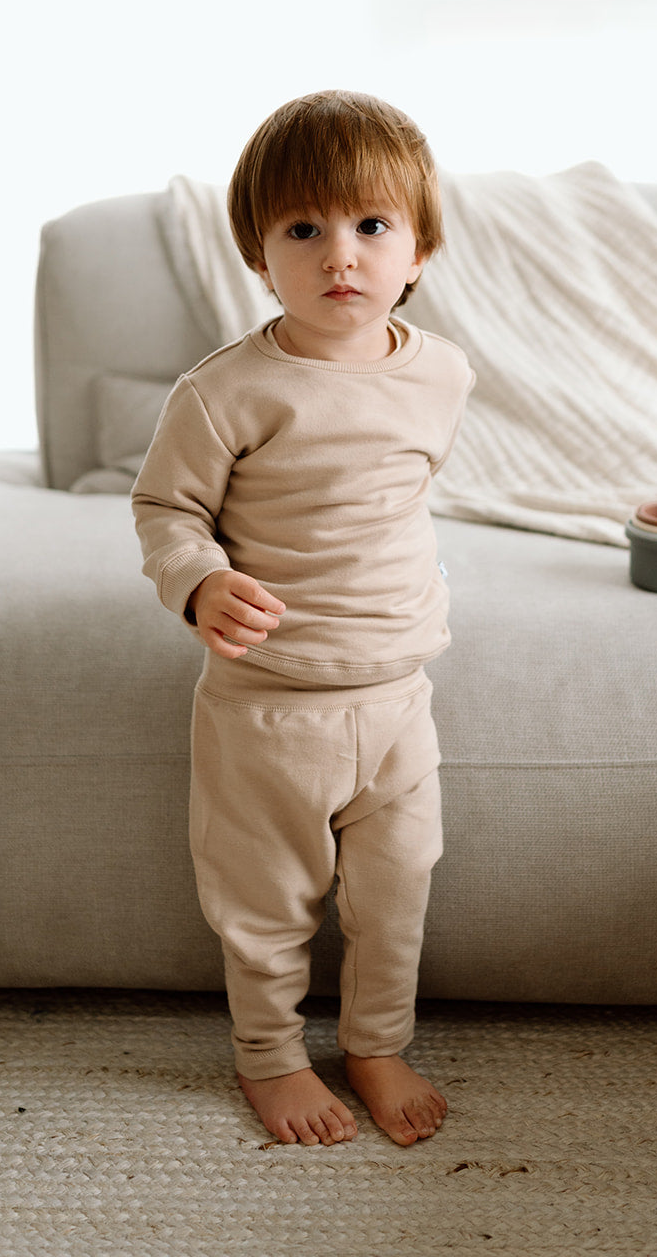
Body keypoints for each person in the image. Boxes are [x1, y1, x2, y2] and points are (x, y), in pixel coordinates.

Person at [132, 90, 473, 1147]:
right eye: (304, 228)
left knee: (397, 889)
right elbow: (163, 507)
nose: (342, 254)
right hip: (269, 710)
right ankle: (271, 1057)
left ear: (418, 249)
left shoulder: (442, 373)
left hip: (397, 698)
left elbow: (398, 497)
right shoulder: (225, 392)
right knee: (267, 904)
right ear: (258, 253)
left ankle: (375, 1040)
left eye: (372, 225)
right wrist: (197, 580)